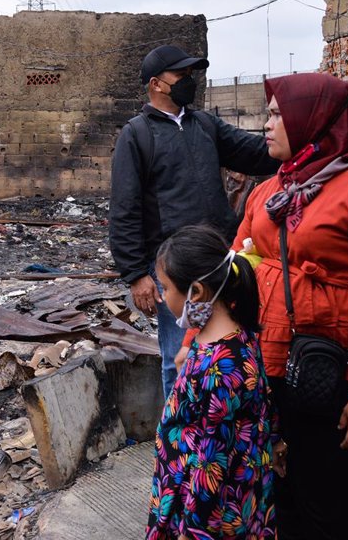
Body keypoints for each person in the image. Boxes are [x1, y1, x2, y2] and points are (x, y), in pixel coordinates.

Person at [236, 72, 348, 540]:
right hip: (267, 370)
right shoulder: (272, 189)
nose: (267, 125)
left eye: (278, 115)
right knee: (278, 501)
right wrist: (198, 343)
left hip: (333, 378)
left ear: (314, 120)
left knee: (331, 509)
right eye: (269, 113)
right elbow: (234, 273)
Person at [110, 44, 279, 397]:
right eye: (181, 75)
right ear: (156, 84)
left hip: (221, 256)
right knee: (178, 354)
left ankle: (224, 419)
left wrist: (297, 146)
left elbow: (254, 153)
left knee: (231, 341)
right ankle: (179, 436)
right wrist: (136, 274)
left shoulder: (204, 124)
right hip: (174, 265)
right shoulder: (137, 134)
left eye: (191, 74)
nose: (189, 81)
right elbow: (124, 208)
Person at [146, 224, 278, 540]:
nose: (163, 298)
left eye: (165, 288)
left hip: (207, 511)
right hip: (204, 489)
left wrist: (193, 530)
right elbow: (264, 402)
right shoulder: (232, 335)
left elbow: (210, 462)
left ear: (198, 292)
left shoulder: (220, 367)